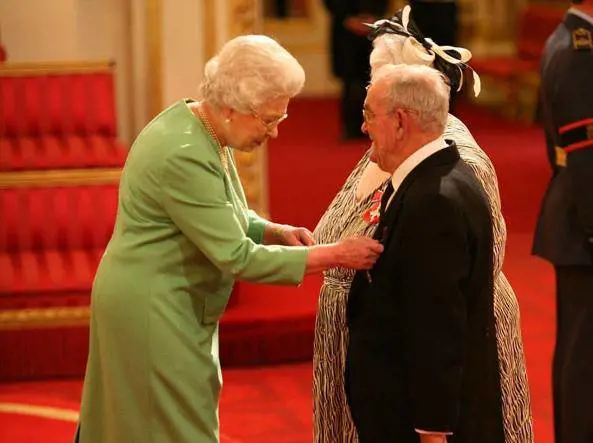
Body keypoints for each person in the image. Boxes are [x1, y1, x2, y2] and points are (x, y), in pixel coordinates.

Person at [74, 35, 383, 443]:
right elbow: (238, 258)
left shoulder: (205, 127)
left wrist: (271, 230)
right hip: (152, 307)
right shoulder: (184, 151)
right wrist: (335, 255)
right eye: (268, 120)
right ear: (231, 107)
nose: (274, 133)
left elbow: (222, 211)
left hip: (171, 297)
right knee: (176, 431)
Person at [313, 8, 533, 443]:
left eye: (374, 103)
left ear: (406, 108)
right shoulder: (397, 150)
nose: (364, 121)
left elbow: (449, 294)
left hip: (433, 364)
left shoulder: (450, 170)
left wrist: (432, 426)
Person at [345, 63, 504, 443]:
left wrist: (432, 429)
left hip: (420, 426)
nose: (364, 127)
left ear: (400, 122)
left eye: (370, 115)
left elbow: (437, 324)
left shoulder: (434, 201)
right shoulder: (436, 178)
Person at [532, 1, 593, 442]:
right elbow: (585, 155)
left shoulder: (570, 40)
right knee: (583, 355)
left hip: (575, 215)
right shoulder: (579, 52)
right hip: (583, 222)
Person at [322, 0, 389, 140]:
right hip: (345, 32)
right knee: (349, 83)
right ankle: (350, 127)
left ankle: (372, 126)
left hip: (372, 30)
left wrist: (374, 17)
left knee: (373, 80)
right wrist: (347, 18)